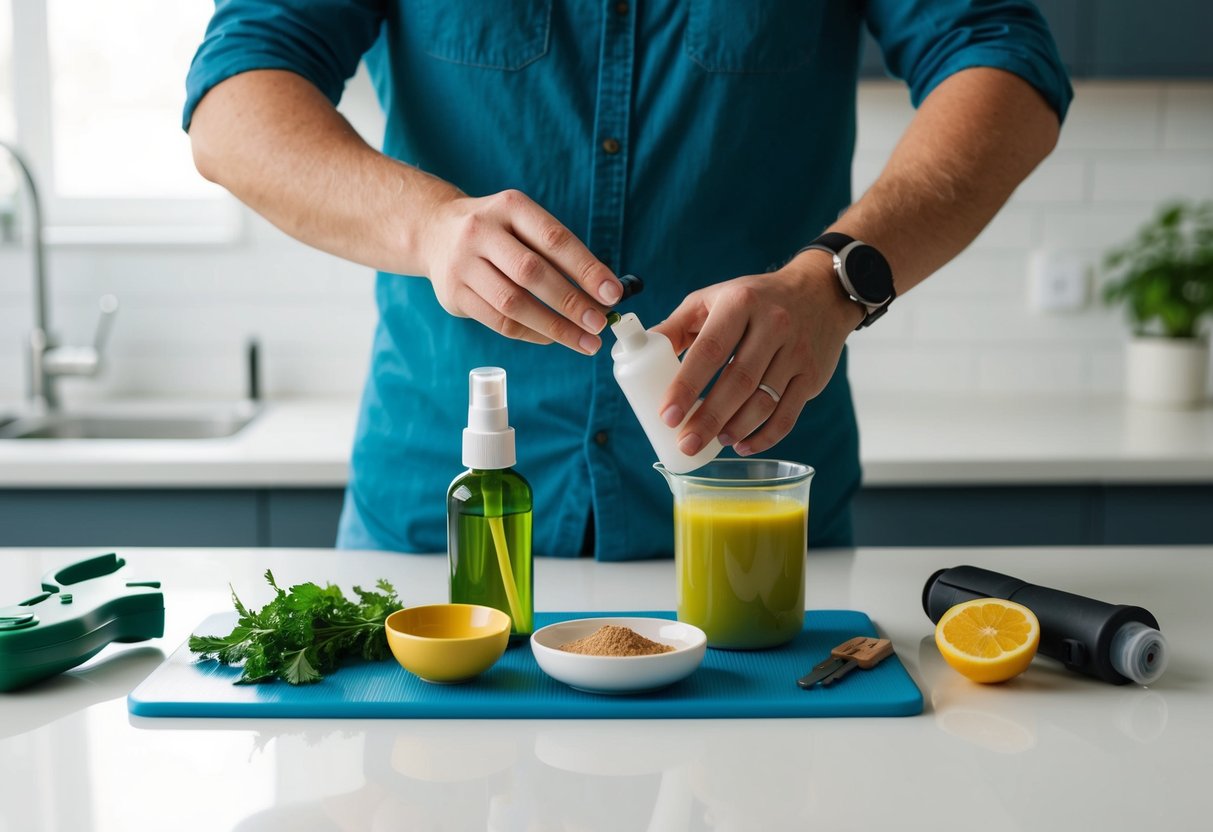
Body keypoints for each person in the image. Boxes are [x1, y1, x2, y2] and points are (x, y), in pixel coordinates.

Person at [185, 1, 1070, 560]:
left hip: (747, 523)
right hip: (439, 526)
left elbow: (1004, 59)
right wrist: (425, 225)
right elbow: (231, 102)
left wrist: (836, 280)